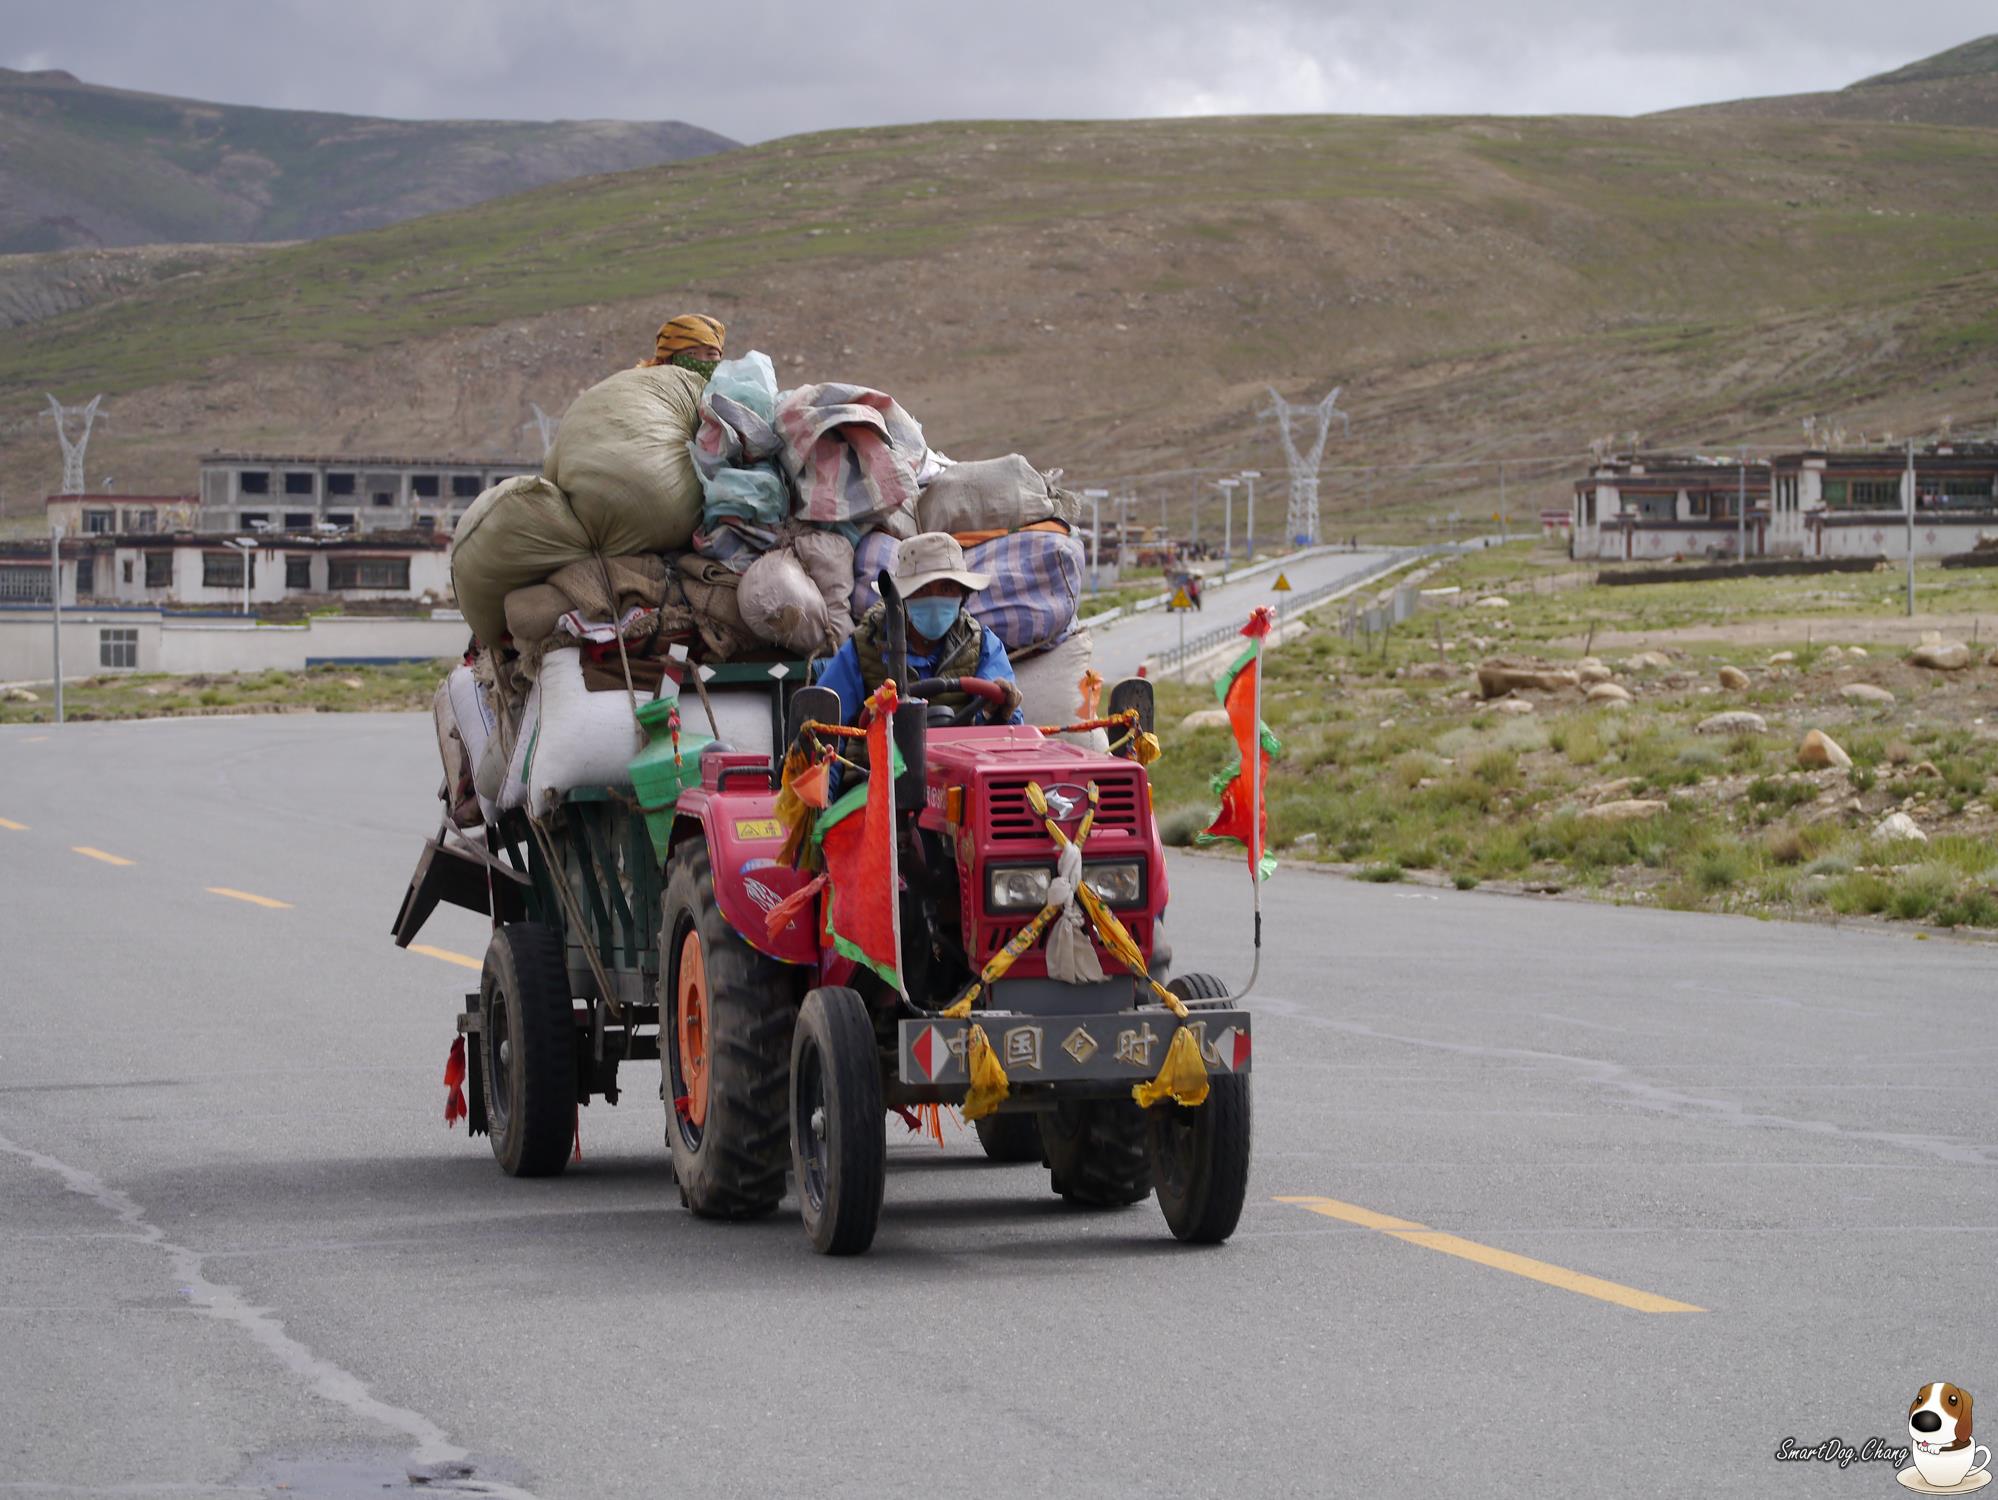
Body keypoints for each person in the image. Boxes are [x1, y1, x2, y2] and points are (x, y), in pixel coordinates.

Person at [816, 533, 1024, 726]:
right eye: (922, 589)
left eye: (946, 588)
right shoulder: (865, 645)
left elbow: (1008, 725)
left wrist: (994, 709)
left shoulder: (982, 644)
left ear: (962, 594)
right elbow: (824, 725)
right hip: (880, 754)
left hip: (958, 752)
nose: (934, 599)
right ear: (902, 597)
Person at [636, 313, 726, 379]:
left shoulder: (727, 392)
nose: (702, 361)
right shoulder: (648, 389)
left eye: (711, 354)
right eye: (691, 353)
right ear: (667, 360)